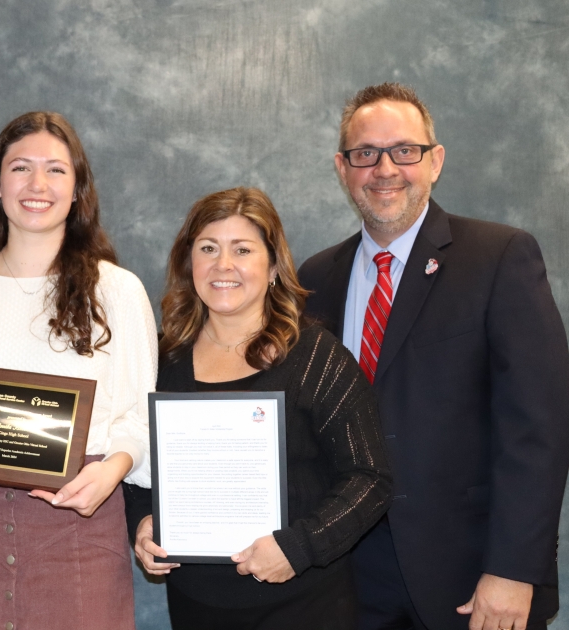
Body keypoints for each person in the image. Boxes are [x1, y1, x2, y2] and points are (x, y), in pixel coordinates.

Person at [298, 82, 569, 630]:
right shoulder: (315, 279)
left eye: (404, 150)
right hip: (344, 579)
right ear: (342, 167)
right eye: (365, 154)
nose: (384, 169)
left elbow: (539, 428)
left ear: (435, 160)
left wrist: (515, 570)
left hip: (469, 577)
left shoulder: (499, 257)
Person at [0, 111, 158, 630]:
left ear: (78, 189)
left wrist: (109, 474)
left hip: (78, 523)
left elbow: (138, 420)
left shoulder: (118, 291)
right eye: (21, 168)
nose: (37, 184)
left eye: (56, 170)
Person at [124, 186, 392, 630]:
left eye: (242, 250)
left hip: (304, 603)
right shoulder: (162, 362)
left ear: (271, 268)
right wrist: (143, 522)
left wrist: (299, 547)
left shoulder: (315, 357)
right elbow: (138, 466)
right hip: (197, 604)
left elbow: (371, 478)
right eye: (208, 248)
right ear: (189, 263)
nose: (223, 265)